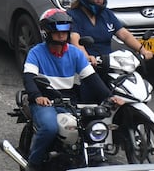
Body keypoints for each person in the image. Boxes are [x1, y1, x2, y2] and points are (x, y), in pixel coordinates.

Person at [22, 9, 123, 171]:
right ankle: (33, 163)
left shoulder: (75, 53)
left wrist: (109, 97)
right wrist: (37, 96)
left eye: (65, 30)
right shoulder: (36, 52)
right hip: (44, 102)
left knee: (91, 124)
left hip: (69, 101)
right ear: (47, 31)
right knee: (49, 127)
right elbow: (28, 77)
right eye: (57, 30)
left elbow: (92, 79)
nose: (61, 35)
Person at [67, 0, 154, 68]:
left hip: (109, 64)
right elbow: (75, 41)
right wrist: (86, 57)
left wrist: (142, 50)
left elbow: (124, 35)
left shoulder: (107, 14)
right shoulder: (72, 16)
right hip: (86, 67)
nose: (100, 0)